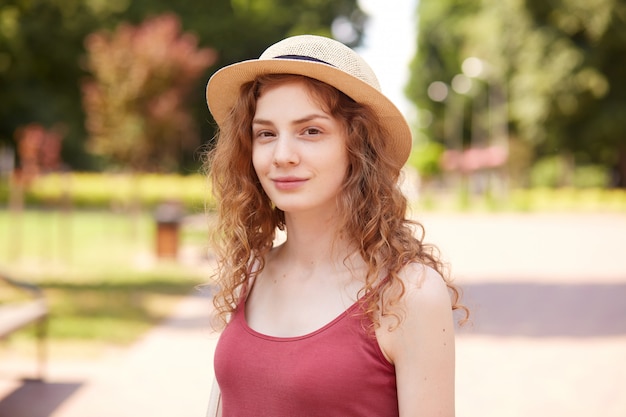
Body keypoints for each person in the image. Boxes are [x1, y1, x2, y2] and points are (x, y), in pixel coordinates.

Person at [204, 34, 468, 417]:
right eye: (266, 133)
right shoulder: (252, 272)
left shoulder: (407, 293)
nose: (282, 155)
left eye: (311, 131)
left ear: (358, 148)